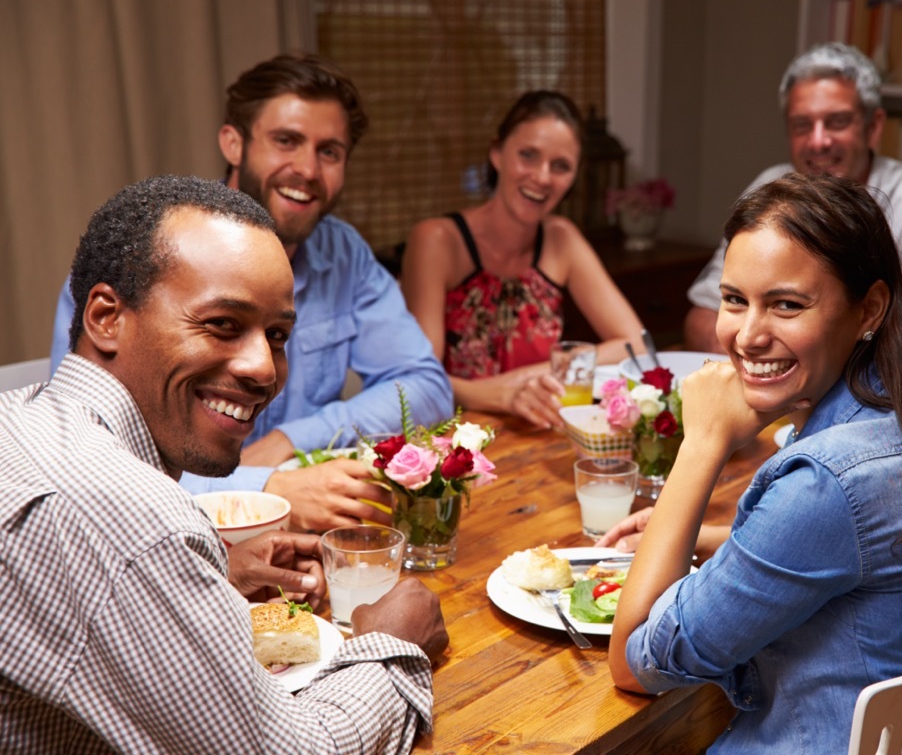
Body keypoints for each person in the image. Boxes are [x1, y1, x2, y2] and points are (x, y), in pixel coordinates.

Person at [3, 175, 448, 753]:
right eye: (222, 324)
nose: (264, 367)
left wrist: (214, 580)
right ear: (106, 318)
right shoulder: (138, 523)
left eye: (279, 334)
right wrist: (393, 644)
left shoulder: (24, 418)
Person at [607, 172, 902, 752]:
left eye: (787, 305)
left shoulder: (826, 484)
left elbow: (635, 662)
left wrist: (702, 445)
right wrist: (720, 536)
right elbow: (858, 549)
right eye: (734, 300)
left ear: (869, 307)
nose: (747, 336)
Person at [49, 53, 454, 531]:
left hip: (302, 540)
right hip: (164, 532)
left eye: (330, 152)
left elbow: (427, 386)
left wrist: (290, 439)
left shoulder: (343, 253)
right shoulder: (148, 251)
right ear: (234, 143)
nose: (307, 168)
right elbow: (85, 453)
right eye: (287, 141)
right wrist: (262, 489)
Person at [683, 42, 902, 393]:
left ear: (874, 127)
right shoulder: (770, 190)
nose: (819, 141)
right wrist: (767, 367)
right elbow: (702, 316)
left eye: (837, 122)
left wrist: (832, 397)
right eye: (802, 125)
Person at [401, 90, 644, 429]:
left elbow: (636, 345)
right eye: (528, 155)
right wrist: (503, 393)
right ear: (497, 153)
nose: (542, 177)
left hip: (541, 432)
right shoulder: (437, 240)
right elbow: (419, 381)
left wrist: (539, 374)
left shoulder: (561, 238)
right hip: (456, 440)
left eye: (560, 166)